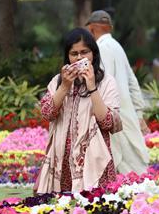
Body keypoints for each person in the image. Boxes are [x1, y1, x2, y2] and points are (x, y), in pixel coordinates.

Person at [35, 28, 122, 194]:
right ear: (68, 57)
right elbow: (47, 113)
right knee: (60, 213)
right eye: (74, 53)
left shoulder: (107, 82)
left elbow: (107, 123)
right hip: (61, 163)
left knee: (93, 210)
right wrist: (65, 86)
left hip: (94, 162)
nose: (80, 58)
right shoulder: (58, 82)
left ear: (94, 54)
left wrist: (92, 87)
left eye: (84, 52)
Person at [85, 10, 150, 175]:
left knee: (122, 166)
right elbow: (132, 82)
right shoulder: (117, 46)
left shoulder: (101, 48)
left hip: (112, 116)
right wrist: (139, 113)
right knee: (131, 164)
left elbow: (102, 85)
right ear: (110, 28)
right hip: (125, 114)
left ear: (91, 29)